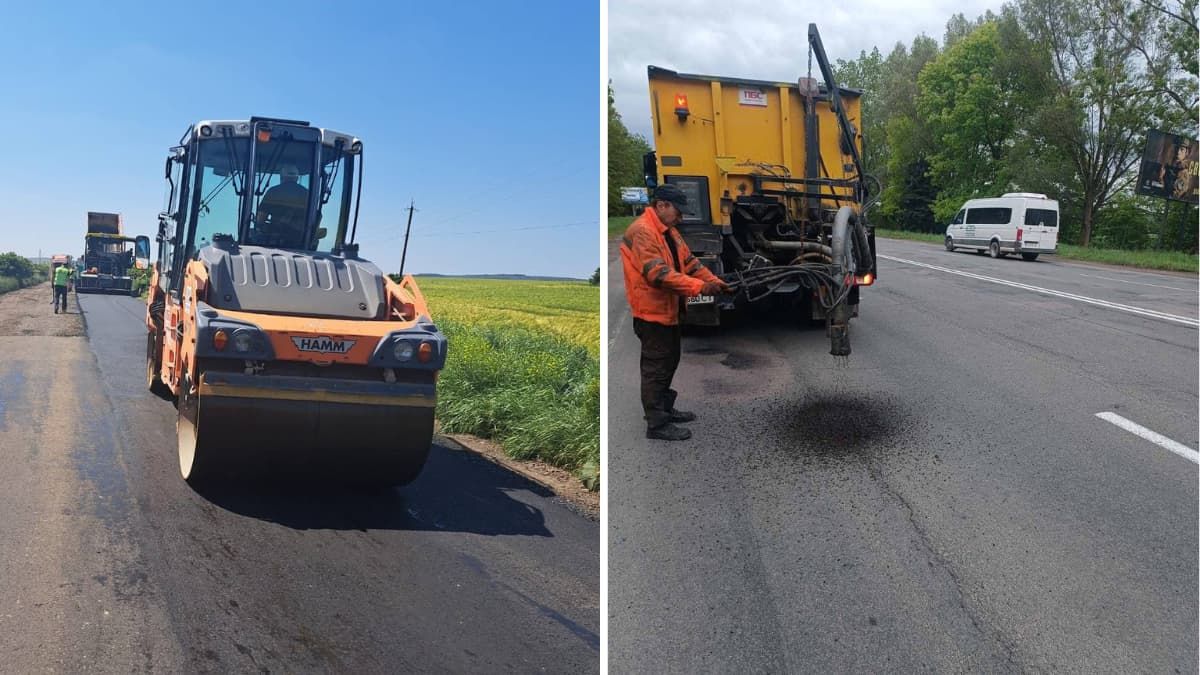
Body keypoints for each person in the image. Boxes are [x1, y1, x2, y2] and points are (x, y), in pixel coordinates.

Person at [620, 184, 731, 441]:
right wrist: (701, 287)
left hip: (668, 309)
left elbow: (690, 263)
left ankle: (665, 409)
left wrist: (715, 281)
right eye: (678, 211)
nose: (681, 217)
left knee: (669, 361)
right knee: (655, 368)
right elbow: (658, 274)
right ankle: (656, 425)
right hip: (651, 313)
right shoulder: (642, 232)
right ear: (661, 205)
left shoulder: (669, 231)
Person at [254, 164, 310, 247]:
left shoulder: (273, 192)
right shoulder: (307, 194)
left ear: (282, 177)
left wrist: (259, 226)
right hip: (300, 242)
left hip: (275, 240)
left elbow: (261, 217)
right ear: (297, 178)